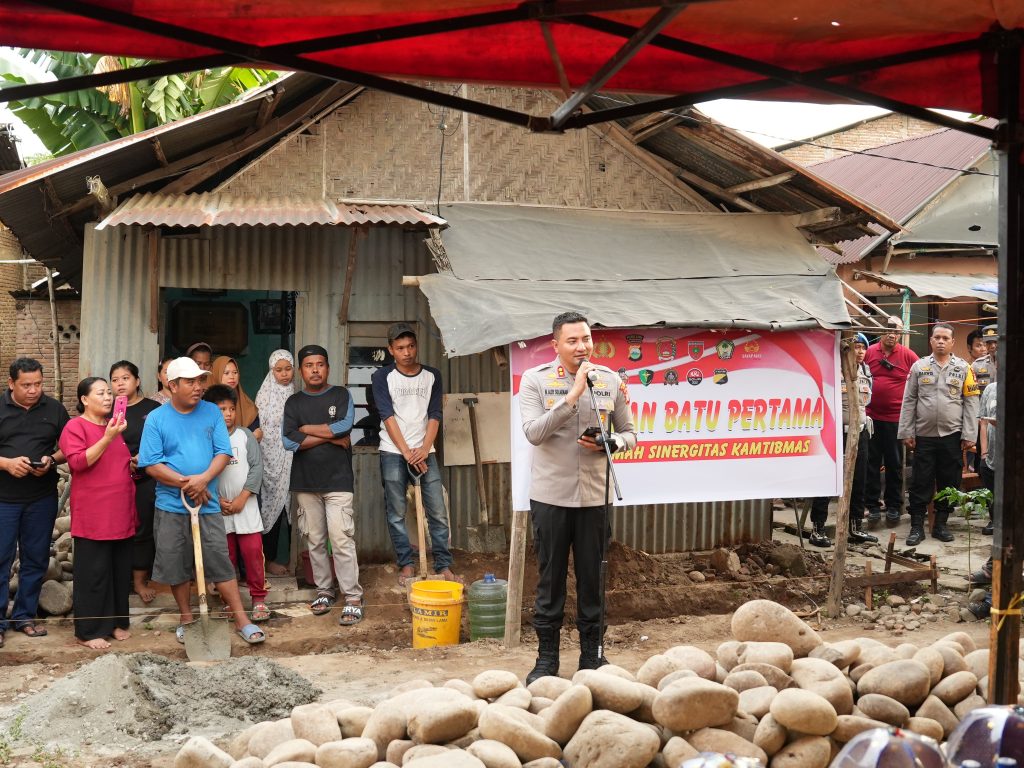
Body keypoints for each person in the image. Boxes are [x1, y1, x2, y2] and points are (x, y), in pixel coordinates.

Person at [519, 311, 637, 683]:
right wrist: (572, 396)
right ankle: (546, 661)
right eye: (572, 340)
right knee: (550, 581)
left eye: (586, 338)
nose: (581, 346)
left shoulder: (611, 380)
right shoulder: (534, 381)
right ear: (556, 345)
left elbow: (630, 433)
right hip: (551, 498)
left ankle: (592, 657)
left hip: (594, 498)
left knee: (593, 580)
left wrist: (612, 442)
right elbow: (534, 433)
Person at [137, 357, 265, 645]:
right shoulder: (157, 419)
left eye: (200, 381)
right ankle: (186, 618)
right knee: (175, 563)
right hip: (171, 505)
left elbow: (222, 452)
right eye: (190, 382)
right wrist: (189, 483)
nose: (198, 387)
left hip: (206, 503)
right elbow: (151, 464)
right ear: (172, 385)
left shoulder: (211, 413)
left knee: (219, 560)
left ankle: (241, 618)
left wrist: (204, 479)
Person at [371, 323, 459, 585]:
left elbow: (435, 414)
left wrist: (422, 449)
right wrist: (407, 451)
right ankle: (406, 564)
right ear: (391, 350)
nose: (407, 352)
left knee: (438, 511)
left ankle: (443, 565)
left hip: (425, 452)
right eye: (400, 348)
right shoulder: (382, 377)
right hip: (393, 451)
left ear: (416, 346)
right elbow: (386, 416)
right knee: (396, 512)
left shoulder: (432, 375)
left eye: (410, 346)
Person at [282, 344, 364, 625]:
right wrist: (328, 436)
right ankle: (325, 591)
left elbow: (345, 425)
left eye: (320, 364)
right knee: (315, 541)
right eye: (309, 365)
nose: (315, 369)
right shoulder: (294, 403)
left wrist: (306, 429)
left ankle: (352, 597)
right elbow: (288, 441)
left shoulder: (341, 394)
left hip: (338, 481)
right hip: (305, 483)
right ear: (302, 371)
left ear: (327, 367)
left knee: (341, 539)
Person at [59, 377, 135, 649]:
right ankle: (88, 631)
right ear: (84, 399)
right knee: (94, 572)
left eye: (109, 393)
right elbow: (79, 462)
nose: (108, 397)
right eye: (100, 393)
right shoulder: (75, 426)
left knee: (118, 570)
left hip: (121, 511)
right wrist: (108, 437)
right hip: (94, 513)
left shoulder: (113, 427)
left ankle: (116, 622)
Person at [0, 358, 70, 646]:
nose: (33, 390)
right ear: (11, 384)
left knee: (36, 559)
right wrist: (5, 464)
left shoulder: (54, 409)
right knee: (1, 559)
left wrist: (50, 460)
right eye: (27, 385)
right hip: (3, 500)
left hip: (41, 498)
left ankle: (25, 616)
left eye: (38, 384)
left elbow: (68, 447)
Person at [898, 323, 980, 546]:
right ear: (931, 341)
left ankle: (941, 526)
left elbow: (971, 403)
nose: (941, 341)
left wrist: (970, 433)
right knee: (920, 481)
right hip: (924, 436)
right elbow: (909, 400)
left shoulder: (964, 368)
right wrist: (906, 431)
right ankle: (916, 527)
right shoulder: (919, 367)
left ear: (952, 342)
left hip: (952, 436)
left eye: (945, 338)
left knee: (949, 481)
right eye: (937, 337)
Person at [205, 384, 270, 623]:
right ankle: (229, 603)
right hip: (219, 509)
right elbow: (204, 472)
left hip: (247, 507)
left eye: (231, 409)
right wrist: (216, 500)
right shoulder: (208, 439)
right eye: (222, 409)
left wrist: (243, 497)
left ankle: (258, 599)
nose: (228, 414)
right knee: (226, 557)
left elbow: (256, 468)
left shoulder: (245, 436)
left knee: (252, 554)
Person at [808, 333, 878, 547]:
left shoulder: (865, 371)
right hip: (836, 432)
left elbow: (866, 401)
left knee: (860, 479)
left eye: (863, 348)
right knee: (828, 479)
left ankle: (856, 528)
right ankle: (817, 529)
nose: (859, 351)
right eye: (855, 347)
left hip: (861, 431)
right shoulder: (833, 371)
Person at [110, 360, 162, 604]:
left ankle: (140, 581)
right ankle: (118, 578)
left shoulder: (153, 409)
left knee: (143, 527)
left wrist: (145, 457)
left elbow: (164, 441)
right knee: (117, 527)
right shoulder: (108, 409)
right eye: (115, 379)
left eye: (125, 378)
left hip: (145, 478)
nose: (120, 383)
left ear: (137, 381)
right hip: (114, 480)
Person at [864, 316, 919, 526]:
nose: (891, 334)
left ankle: (894, 506)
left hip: (896, 419)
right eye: (887, 330)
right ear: (881, 332)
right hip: (871, 417)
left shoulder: (908, 355)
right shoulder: (870, 352)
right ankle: (872, 506)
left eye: (895, 331)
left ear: (900, 334)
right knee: (871, 463)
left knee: (895, 464)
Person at [254, 350, 295, 576]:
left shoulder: (297, 395)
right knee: (267, 508)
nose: (284, 374)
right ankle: (266, 560)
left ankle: (288, 559)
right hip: (267, 459)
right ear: (272, 371)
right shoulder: (263, 395)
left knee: (290, 509)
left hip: (291, 458)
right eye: (278, 370)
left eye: (287, 369)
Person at [210, 356, 262, 440]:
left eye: (235, 372)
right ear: (217, 375)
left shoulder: (246, 404)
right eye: (226, 373)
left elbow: (256, 432)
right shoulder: (208, 404)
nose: (232, 377)